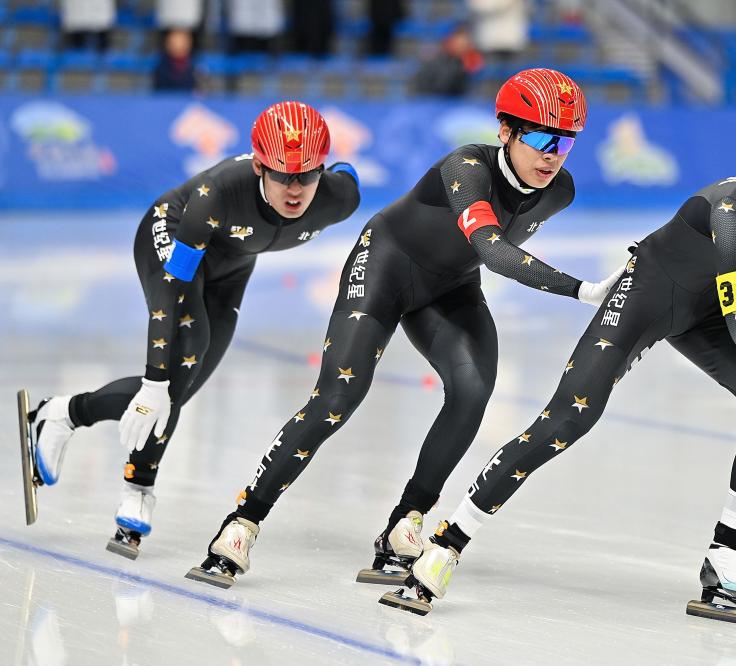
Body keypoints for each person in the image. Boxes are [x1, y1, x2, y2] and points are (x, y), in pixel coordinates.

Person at [387, 114, 736, 625]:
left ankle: (725, 554)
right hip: (649, 294)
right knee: (568, 419)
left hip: (711, 309)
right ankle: (447, 543)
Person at [185, 68, 628, 589]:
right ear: (505, 131)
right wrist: (581, 289)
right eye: (540, 138)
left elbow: (478, 255)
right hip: (386, 269)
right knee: (339, 396)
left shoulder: (560, 191)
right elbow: (491, 249)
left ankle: (405, 523)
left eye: (566, 142)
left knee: (473, 390)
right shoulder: (466, 167)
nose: (553, 155)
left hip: (451, 286)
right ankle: (241, 523)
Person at [24, 101, 361, 558]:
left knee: (181, 387)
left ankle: (62, 413)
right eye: (283, 175)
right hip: (174, 238)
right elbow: (171, 289)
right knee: (182, 356)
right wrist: (152, 379)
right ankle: (138, 486)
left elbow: (348, 175)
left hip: (232, 267)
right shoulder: (216, 193)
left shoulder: (338, 198)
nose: (296, 188)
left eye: (308, 174)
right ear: (259, 166)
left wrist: (163, 387)